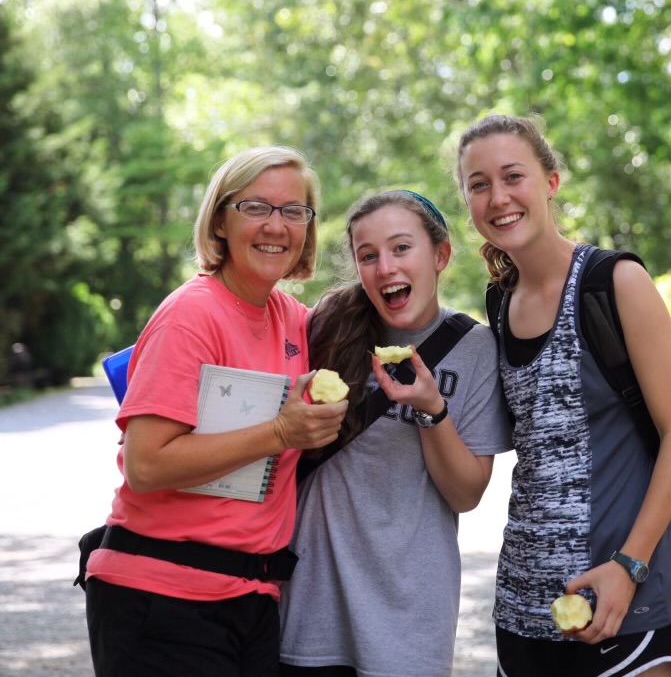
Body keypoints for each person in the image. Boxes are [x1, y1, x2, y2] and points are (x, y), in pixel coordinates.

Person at [455, 114, 671, 677]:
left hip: (632, 600)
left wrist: (629, 565)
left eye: (513, 176)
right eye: (479, 184)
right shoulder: (499, 302)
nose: (498, 197)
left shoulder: (615, 282)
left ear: (550, 182)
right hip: (524, 608)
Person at [84, 146, 348, 677]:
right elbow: (145, 465)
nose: (276, 225)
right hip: (163, 598)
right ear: (220, 222)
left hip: (251, 597)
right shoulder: (191, 315)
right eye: (256, 207)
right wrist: (280, 432)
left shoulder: (294, 320)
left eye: (293, 211)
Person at [279, 189, 513, 677]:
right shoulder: (325, 329)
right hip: (310, 609)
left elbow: (466, 494)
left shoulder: (474, 347)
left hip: (410, 617)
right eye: (368, 256)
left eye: (402, 248)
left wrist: (431, 409)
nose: (385, 267)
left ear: (440, 255)